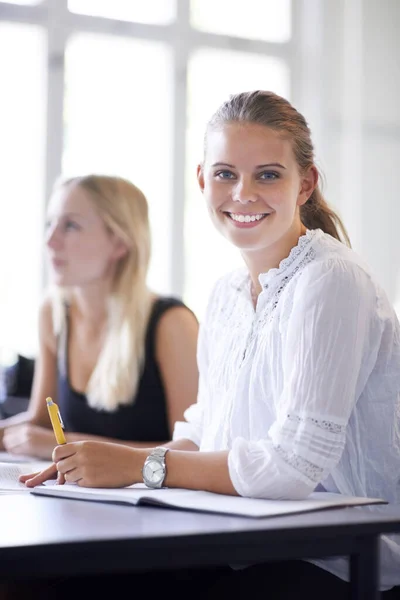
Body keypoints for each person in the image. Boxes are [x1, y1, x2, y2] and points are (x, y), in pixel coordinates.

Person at [22, 91, 400, 598]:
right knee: (61, 582)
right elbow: (205, 432)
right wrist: (100, 462)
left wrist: (139, 465)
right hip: (245, 541)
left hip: (331, 558)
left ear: (305, 184)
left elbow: (295, 464)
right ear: (202, 179)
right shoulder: (225, 294)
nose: (242, 193)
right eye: (225, 174)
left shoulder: (330, 278)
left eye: (268, 174)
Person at [0, 174, 199, 460]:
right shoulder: (54, 314)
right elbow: (41, 422)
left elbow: (194, 448)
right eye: (50, 224)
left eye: (70, 225)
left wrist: (64, 445)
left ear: (119, 243)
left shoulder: (171, 323)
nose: (50, 240)